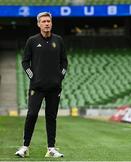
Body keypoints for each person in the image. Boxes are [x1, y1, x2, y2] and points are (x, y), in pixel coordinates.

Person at [15, 12, 68, 158]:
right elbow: (25, 62)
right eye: (43, 21)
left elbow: (64, 61)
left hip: (54, 88)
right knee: (31, 115)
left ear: (51, 23)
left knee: (51, 117)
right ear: (38, 24)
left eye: (48, 21)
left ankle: (51, 149)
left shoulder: (58, 40)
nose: (46, 23)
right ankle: (25, 147)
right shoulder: (32, 41)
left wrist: (60, 76)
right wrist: (33, 76)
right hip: (36, 88)